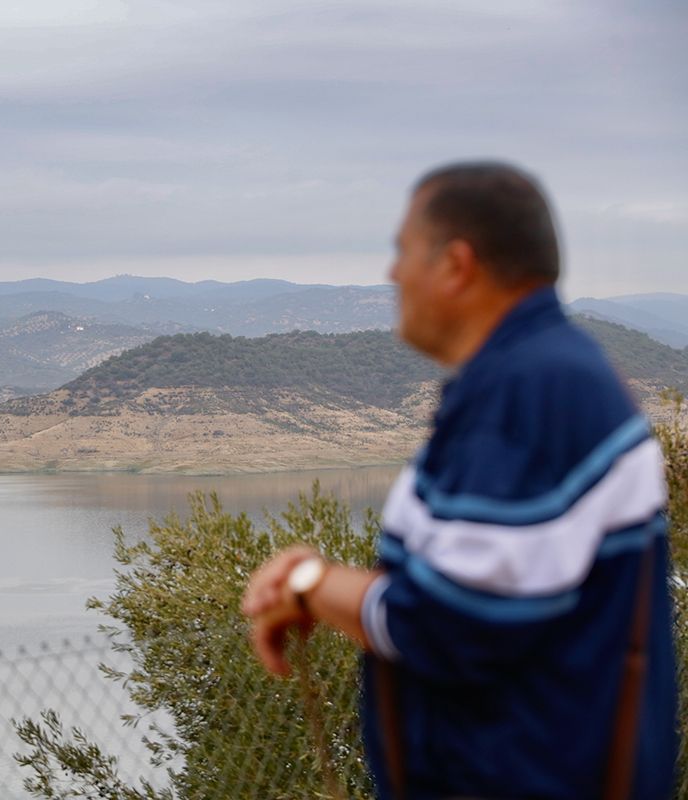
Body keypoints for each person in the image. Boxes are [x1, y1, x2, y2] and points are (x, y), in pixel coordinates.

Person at [241, 162, 677, 799]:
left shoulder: (525, 394)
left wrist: (311, 584)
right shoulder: (548, 375)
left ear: (456, 264)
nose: (392, 274)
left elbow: (449, 626)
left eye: (403, 251)